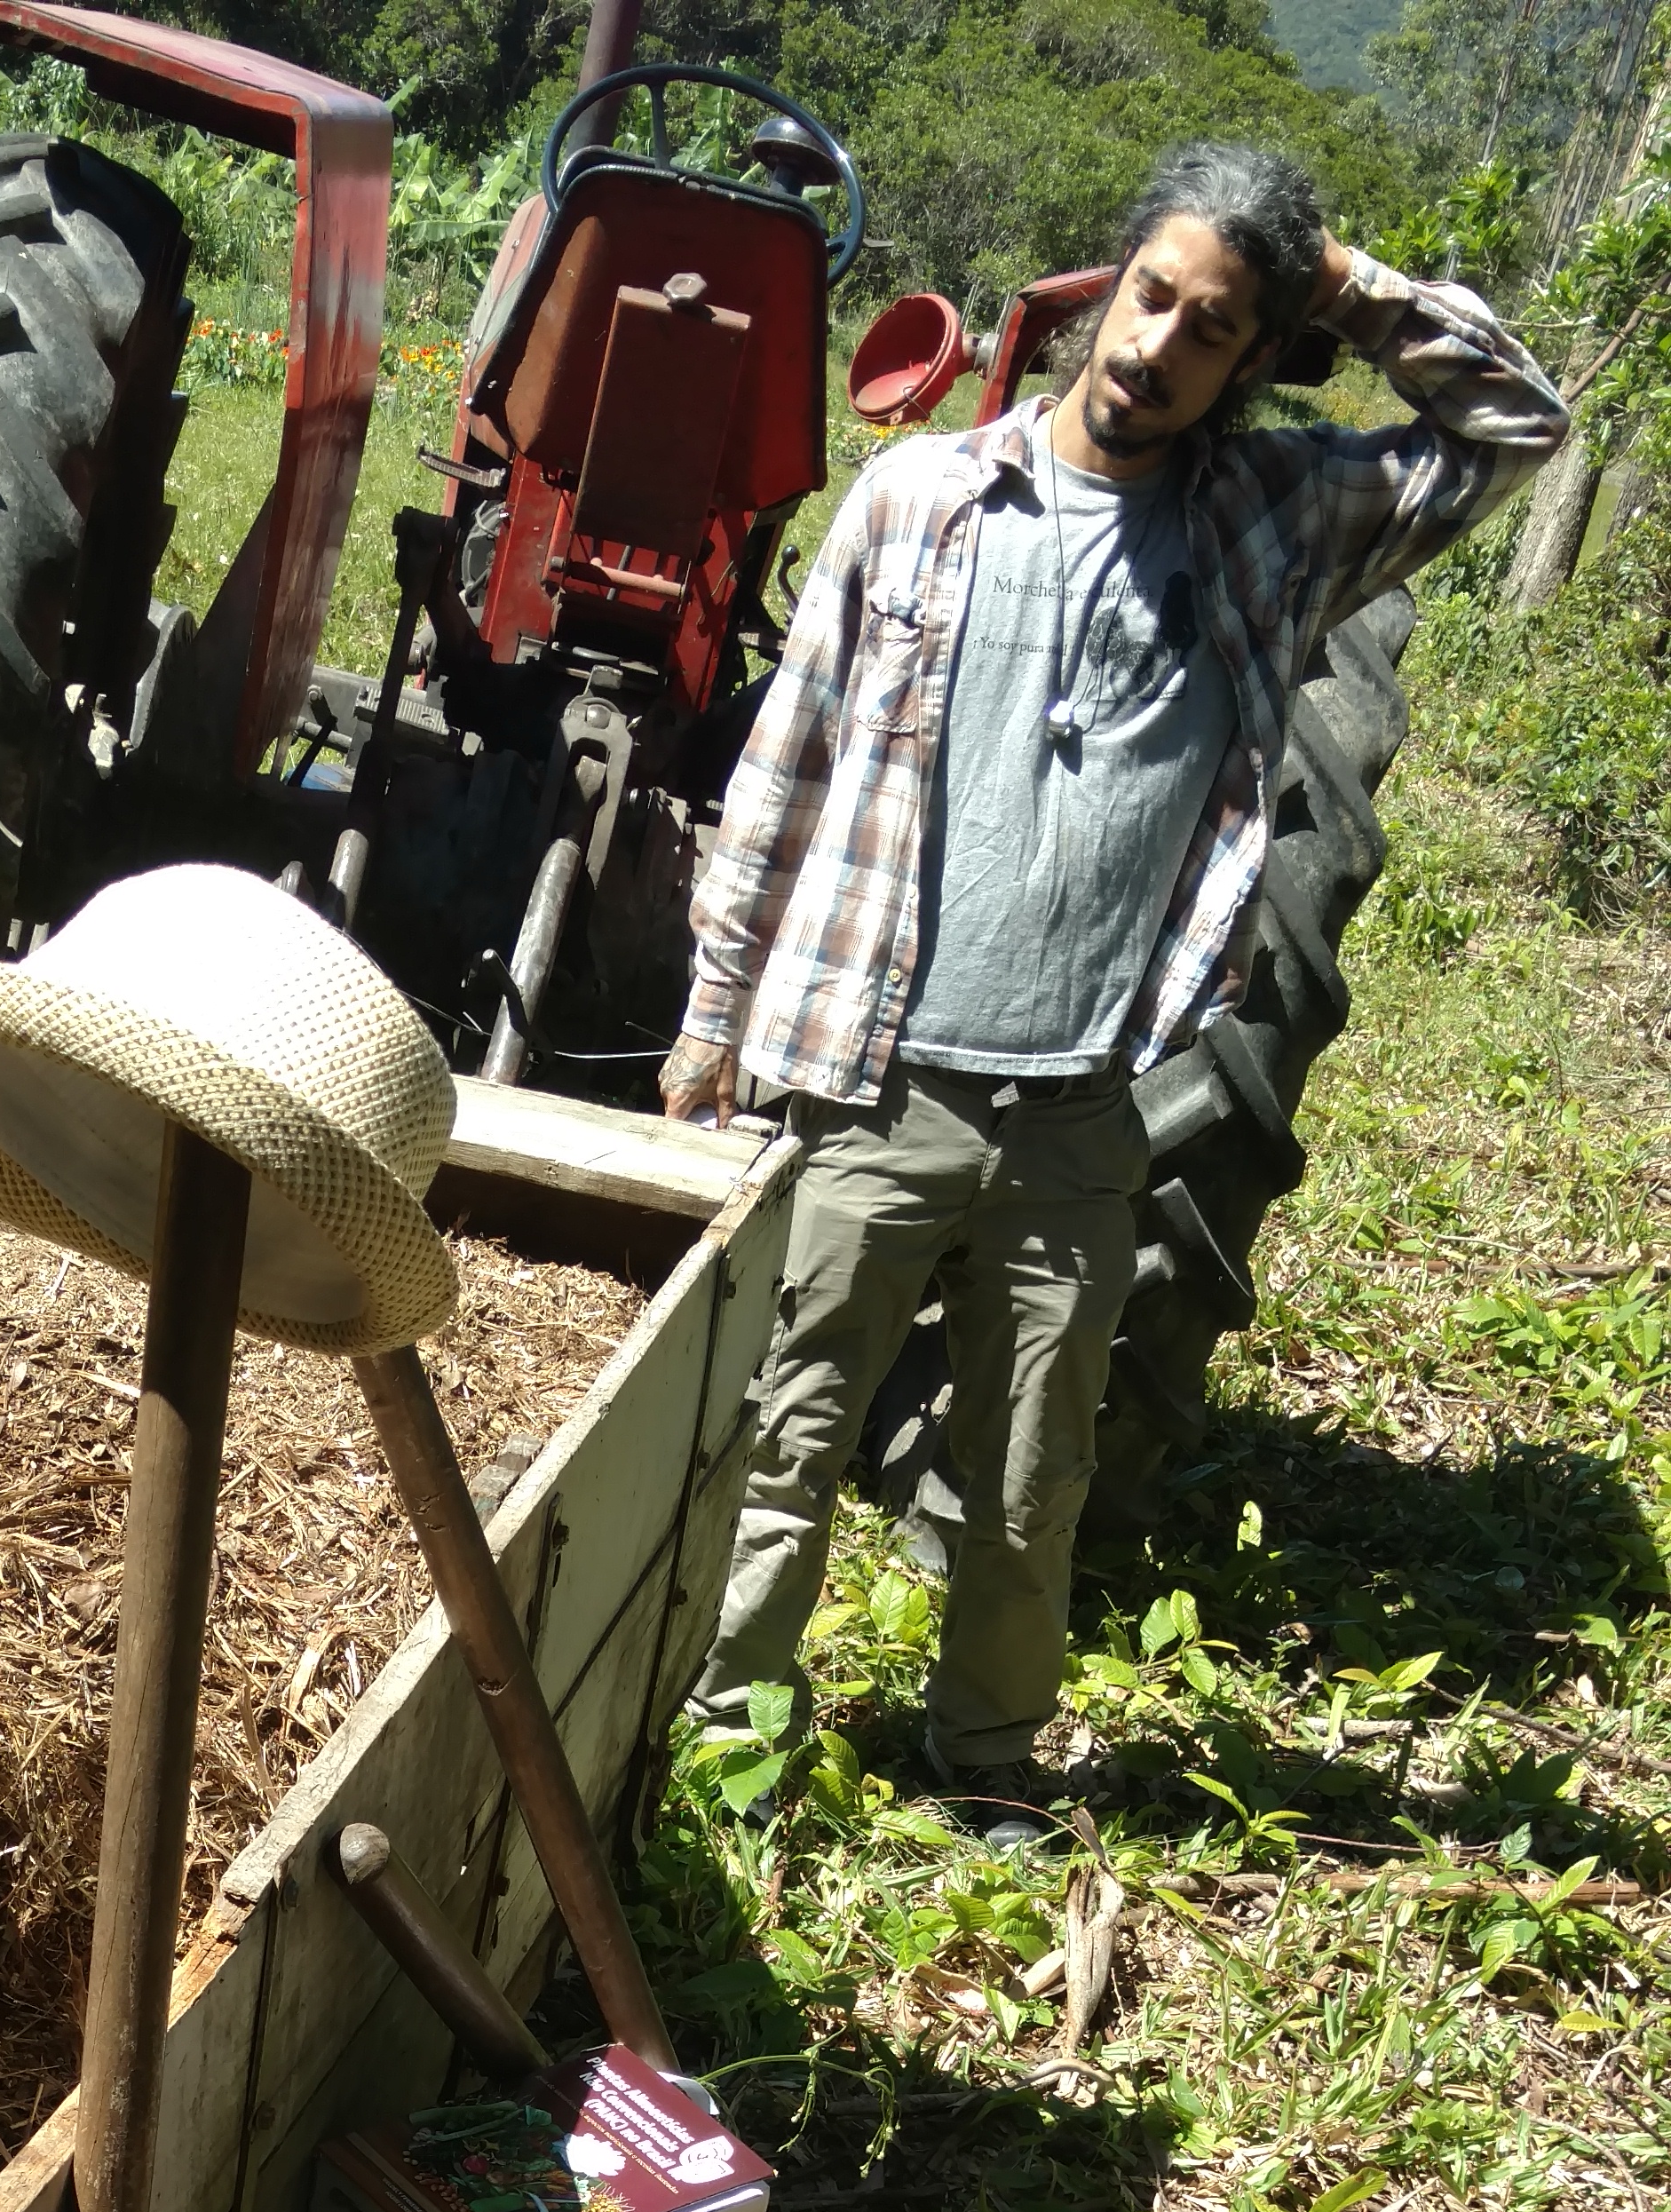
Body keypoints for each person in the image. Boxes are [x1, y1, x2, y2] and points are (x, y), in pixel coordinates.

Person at [664, 143, 1570, 1834]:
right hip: (868, 1080)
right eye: (1151, 299)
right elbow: (780, 774)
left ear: (1249, 355)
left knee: (1029, 1483)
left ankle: (986, 1767)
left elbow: (1516, 428)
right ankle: (725, 1744)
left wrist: (1355, 296)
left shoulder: (1273, 528)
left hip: (1081, 1112)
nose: (1159, 347)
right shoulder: (918, 499)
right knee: (776, 1447)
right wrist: (712, 1030)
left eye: (1214, 327)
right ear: (1110, 287)